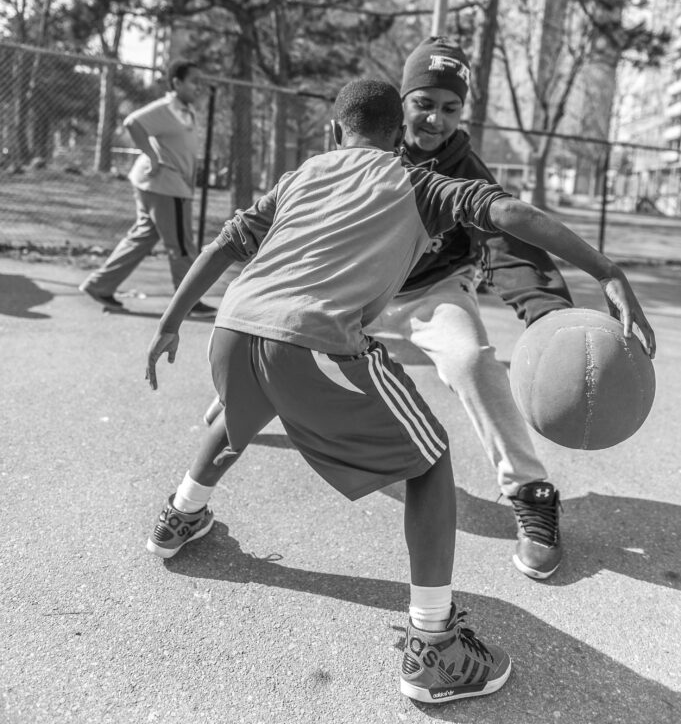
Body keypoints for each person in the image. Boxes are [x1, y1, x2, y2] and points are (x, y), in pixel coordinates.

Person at [143, 79, 654, 704]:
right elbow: (514, 216)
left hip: (233, 327)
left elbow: (226, 242)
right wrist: (608, 271)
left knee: (243, 413)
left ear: (335, 132)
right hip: (313, 340)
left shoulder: (302, 175)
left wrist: (170, 320)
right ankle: (434, 647)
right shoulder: (417, 183)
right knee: (431, 460)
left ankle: (180, 515)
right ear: (397, 136)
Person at [371, 35, 576, 580]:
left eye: (449, 107)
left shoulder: (465, 168)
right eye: (424, 102)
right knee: (287, 340)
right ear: (402, 100)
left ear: (462, 112)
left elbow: (505, 243)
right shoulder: (366, 147)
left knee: (471, 360)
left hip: (434, 292)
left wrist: (548, 312)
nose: (435, 118)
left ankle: (530, 490)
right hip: (365, 291)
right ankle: (235, 413)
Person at [79, 58, 215, 317]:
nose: (199, 87)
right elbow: (133, 122)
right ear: (176, 83)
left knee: (142, 237)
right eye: (193, 82)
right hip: (165, 185)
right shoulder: (167, 107)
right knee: (182, 246)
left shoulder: (185, 110)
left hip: (167, 185)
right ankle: (188, 303)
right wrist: (153, 157)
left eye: (201, 82)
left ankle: (100, 285)